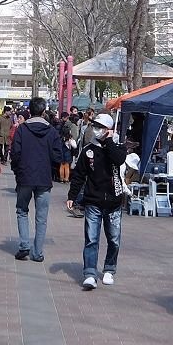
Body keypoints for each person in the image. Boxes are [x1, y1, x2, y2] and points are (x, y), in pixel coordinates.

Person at [67, 112, 128, 289]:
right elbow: (79, 175)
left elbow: (119, 159)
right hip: (93, 201)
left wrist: (108, 141)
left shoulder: (117, 147)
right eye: (95, 126)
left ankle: (109, 269)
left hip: (114, 202)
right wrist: (72, 195)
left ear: (109, 129)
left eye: (101, 127)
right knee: (91, 239)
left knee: (114, 239)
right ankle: (90, 273)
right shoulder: (88, 150)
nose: (96, 130)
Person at [10, 96, 65, 262]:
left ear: (29, 111)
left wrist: (17, 171)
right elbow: (58, 157)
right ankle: (38, 252)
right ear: (43, 111)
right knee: (41, 217)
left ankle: (24, 245)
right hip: (44, 178)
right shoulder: (52, 131)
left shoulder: (21, 130)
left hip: (25, 177)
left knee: (22, 211)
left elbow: (15, 154)